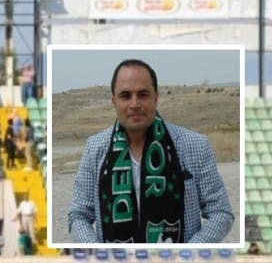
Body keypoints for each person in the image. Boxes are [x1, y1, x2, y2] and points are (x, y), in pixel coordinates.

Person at [68, 59, 234, 243]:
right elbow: (78, 214)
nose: (135, 103)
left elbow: (221, 212)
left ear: (156, 97)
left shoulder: (195, 145)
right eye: (125, 95)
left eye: (143, 94)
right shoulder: (95, 148)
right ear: (114, 101)